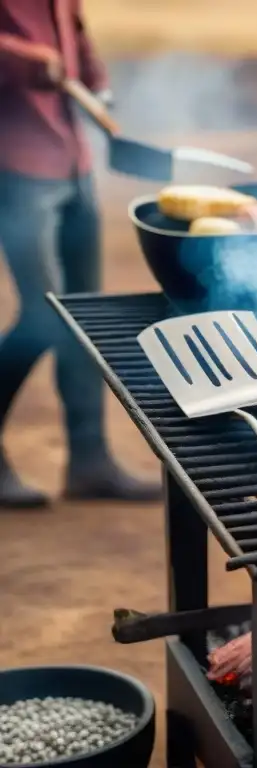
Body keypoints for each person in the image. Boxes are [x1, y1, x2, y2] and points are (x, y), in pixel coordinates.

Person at [0, 0, 159, 508]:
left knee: (83, 317)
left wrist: (95, 78)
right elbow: (30, 51)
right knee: (44, 319)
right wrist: (23, 57)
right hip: (16, 163)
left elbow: (75, 32)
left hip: (73, 161)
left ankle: (90, 462)